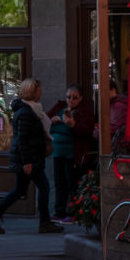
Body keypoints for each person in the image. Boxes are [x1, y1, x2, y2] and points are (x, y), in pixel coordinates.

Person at [0, 78, 57, 234]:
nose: (41, 92)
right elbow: (23, 139)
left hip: (29, 157)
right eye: (38, 89)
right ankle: (44, 223)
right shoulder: (26, 112)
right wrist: (27, 162)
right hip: (29, 158)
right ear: (32, 91)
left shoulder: (31, 110)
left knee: (20, 190)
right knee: (43, 187)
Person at [48, 86, 96, 223]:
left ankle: (74, 212)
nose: (71, 100)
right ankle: (59, 211)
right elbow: (46, 121)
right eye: (69, 97)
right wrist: (54, 120)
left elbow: (89, 131)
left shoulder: (84, 111)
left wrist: (74, 125)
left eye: (75, 98)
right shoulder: (60, 107)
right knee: (59, 182)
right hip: (58, 152)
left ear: (80, 98)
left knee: (72, 184)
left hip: (74, 153)